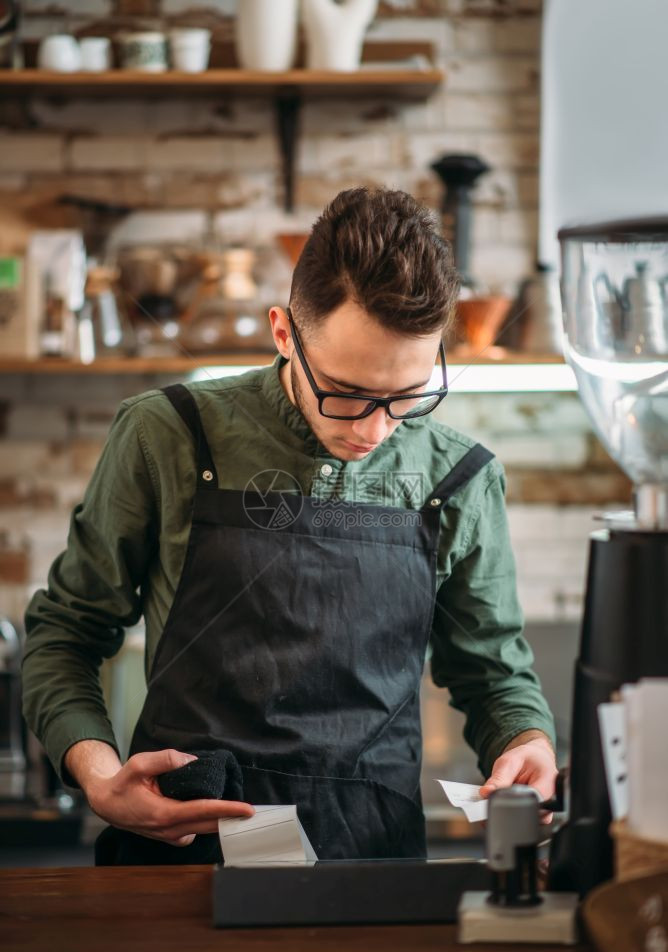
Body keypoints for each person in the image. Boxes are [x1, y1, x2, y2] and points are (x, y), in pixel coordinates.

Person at [21, 187, 557, 865]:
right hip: (184, 852)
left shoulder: (459, 479)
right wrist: (99, 777)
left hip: (372, 864)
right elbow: (65, 634)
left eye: (407, 397)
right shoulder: (168, 434)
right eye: (347, 394)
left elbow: (493, 676)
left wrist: (527, 743)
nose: (373, 429)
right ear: (284, 333)